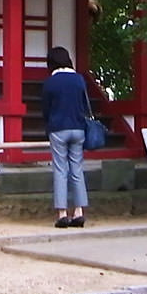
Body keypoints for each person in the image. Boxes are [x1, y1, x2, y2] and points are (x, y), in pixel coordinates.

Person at [41, 46, 92, 228]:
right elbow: (85, 105)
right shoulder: (79, 80)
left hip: (58, 129)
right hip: (78, 129)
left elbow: (46, 109)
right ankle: (79, 211)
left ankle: (62, 213)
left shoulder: (50, 83)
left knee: (61, 170)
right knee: (77, 169)